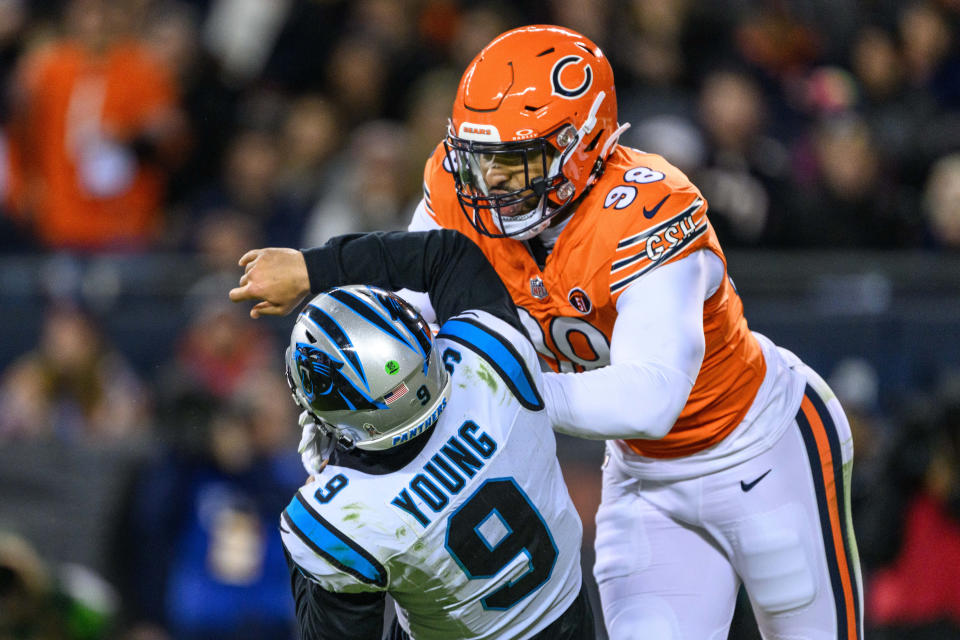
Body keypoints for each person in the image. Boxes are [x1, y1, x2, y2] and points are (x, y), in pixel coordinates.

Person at [231, 24, 863, 640]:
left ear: (582, 145)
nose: (489, 182)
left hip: (759, 445)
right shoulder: (458, 189)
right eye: (479, 159)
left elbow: (652, 397)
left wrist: (495, 386)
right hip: (644, 479)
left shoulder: (646, 207)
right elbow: (411, 320)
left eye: (515, 160)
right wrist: (365, 417)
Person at [230, 230, 595, 639]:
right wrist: (311, 267)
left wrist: (324, 485)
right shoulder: (493, 357)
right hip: (570, 612)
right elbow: (446, 253)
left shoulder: (338, 518)